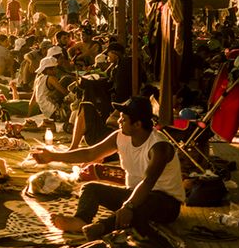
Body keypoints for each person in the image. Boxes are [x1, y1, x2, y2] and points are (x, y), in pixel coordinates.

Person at [32, 96, 185, 240]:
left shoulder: (159, 147)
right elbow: (90, 154)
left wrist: (128, 206)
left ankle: (102, 227)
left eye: (123, 119)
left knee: (144, 203)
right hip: (134, 196)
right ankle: (81, 221)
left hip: (165, 204)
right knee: (90, 188)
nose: (118, 121)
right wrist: (52, 156)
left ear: (137, 124)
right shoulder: (120, 136)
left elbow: (148, 182)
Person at [27, 56, 68, 121]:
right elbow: (64, 92)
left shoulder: (38, 79)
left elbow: (33, 99)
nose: (56, 70)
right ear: (48, 70)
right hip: (54, 111)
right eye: (54, 69)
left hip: (46, 112)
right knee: (66, 79)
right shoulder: (51, 78)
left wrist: (28, 115)